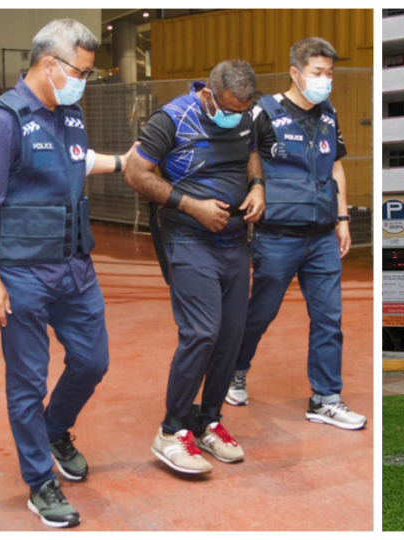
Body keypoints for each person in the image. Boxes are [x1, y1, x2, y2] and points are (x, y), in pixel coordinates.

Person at [0, 19, 135, 528]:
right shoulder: (4, 120)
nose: (85, 81)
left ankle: (55, 429)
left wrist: (122, 163)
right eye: (81, 71)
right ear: (50, 64)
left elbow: (75, 159)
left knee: (93, 361)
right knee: (27, 381)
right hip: (23, 272)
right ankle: (38, 481)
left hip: (75, 265)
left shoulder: (69, 114)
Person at [123, 59, 265, 475]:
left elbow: (252, 154)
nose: (236, 117)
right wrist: (193, 207)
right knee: (202, 331)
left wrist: (257, 186)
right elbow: (135, 172)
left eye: (243, 110)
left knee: (232, 335)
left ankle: (208, 420)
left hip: (235, 240)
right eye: (229, 109)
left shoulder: (245, 115)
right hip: (187, 238)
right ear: (209, 94)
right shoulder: (172, 118)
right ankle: (171, 430)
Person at [226, 37, 365, 430]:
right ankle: (235, 370)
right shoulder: (263, 113)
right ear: (295, 73)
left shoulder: (328, 114)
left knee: (328, 319)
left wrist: (342, 220)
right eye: (318, 73)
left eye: (329, 73)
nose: (326, 80)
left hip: (322, 236)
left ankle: (325, 398)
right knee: (260, 314)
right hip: (277, 237)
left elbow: (336, 168)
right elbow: (243, 161)